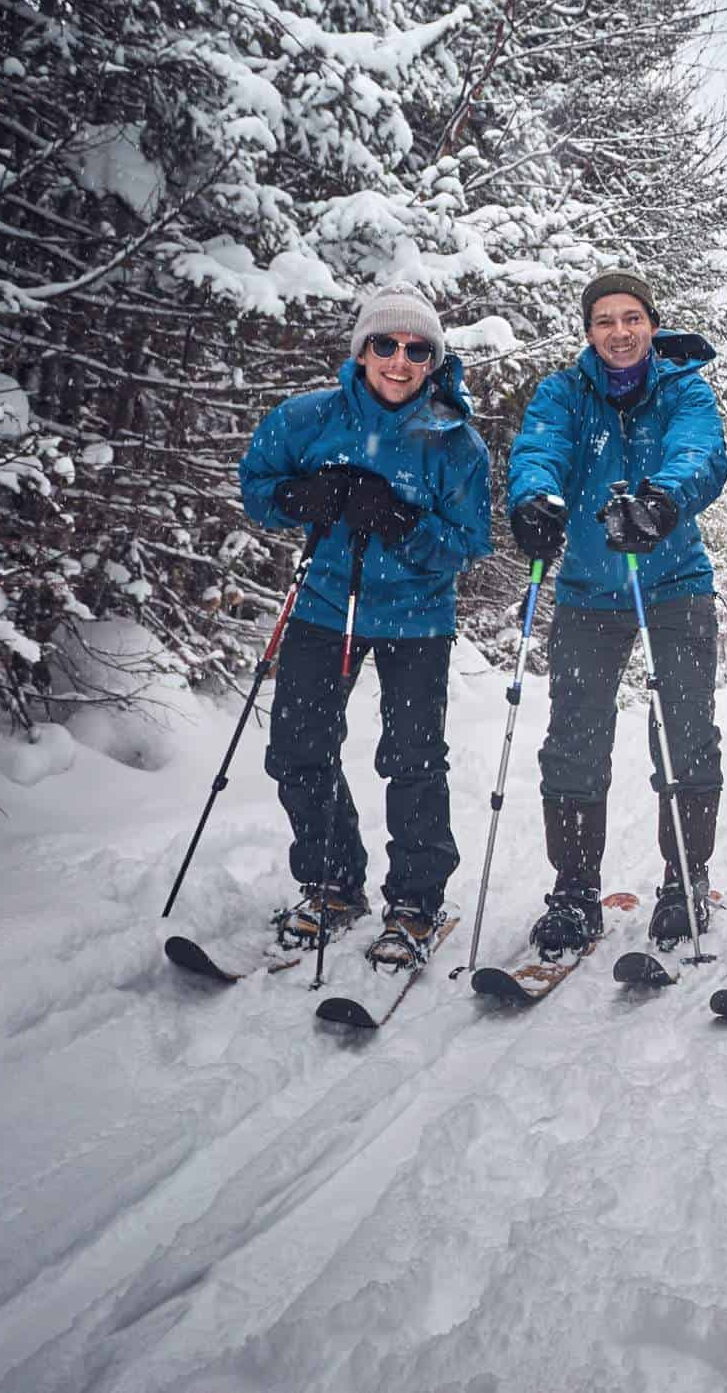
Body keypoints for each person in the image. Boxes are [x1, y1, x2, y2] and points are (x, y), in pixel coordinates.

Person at [238, 289, 493, 969]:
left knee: (411, 757)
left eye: (416, 350)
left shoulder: (455, 441)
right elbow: (256, 481)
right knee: (297, 745)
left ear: (432, 360)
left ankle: (414, 901)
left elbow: (470, 542)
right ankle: (331, 882)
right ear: (362, 350)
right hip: (324, 601)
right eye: (386, 345)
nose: (400, 361)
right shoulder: (308, 418)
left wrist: (402, 521)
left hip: (417, 616)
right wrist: (301, 497)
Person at [504, 270, 727, 953]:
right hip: (586, 587)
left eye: (632, 318)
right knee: (574, 737)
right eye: (605, 320)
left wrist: (661, 500)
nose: (620, 332)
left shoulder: (683, 389)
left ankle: (684, 879)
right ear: (589, 331)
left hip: (675, 580)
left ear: (652, 325)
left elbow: (701, 454)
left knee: (685, 730)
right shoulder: (563, 393)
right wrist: (536, 501)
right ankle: (574, 890)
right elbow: (539, 449)